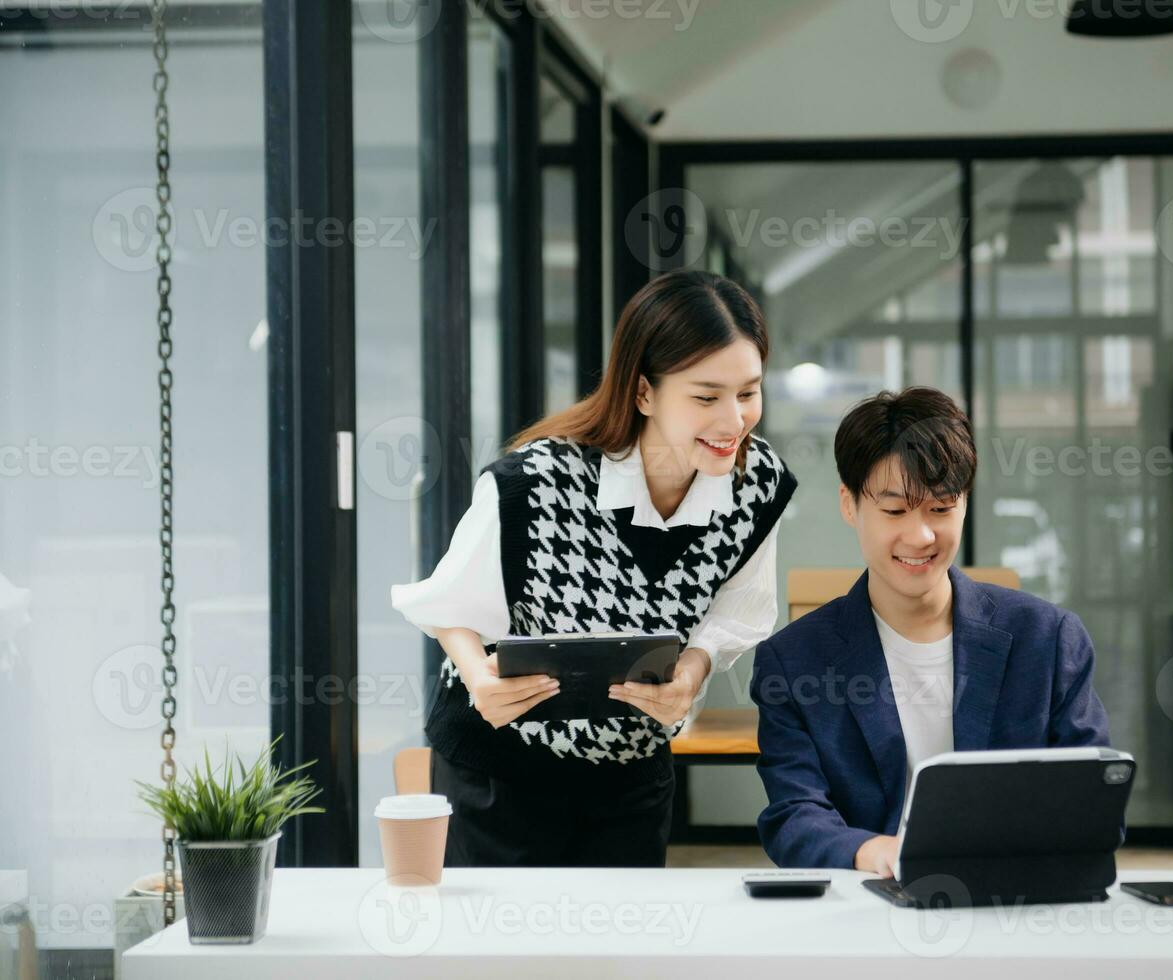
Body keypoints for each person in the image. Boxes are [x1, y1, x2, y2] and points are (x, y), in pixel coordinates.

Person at [391, 270, 796, 867]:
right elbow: (450, 604)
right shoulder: (536, 480)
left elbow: (735, 611)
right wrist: (480, 680)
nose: (734, 420)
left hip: (632, 772)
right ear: (643, 393)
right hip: (502, 769)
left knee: (621, 956)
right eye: (706, 397)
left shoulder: (757, 484)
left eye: (749, 392)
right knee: (507, 959)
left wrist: (691, 671)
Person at [750, 386, 1109, 876]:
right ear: (850, 505)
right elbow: (795, 814)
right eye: (895, 511)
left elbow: (1092, 801)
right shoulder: (794, 662)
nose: (920, 536)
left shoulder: (1047, 641)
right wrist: (875, 852)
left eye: (940, 508)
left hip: (1016, 902)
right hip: (867, 906)